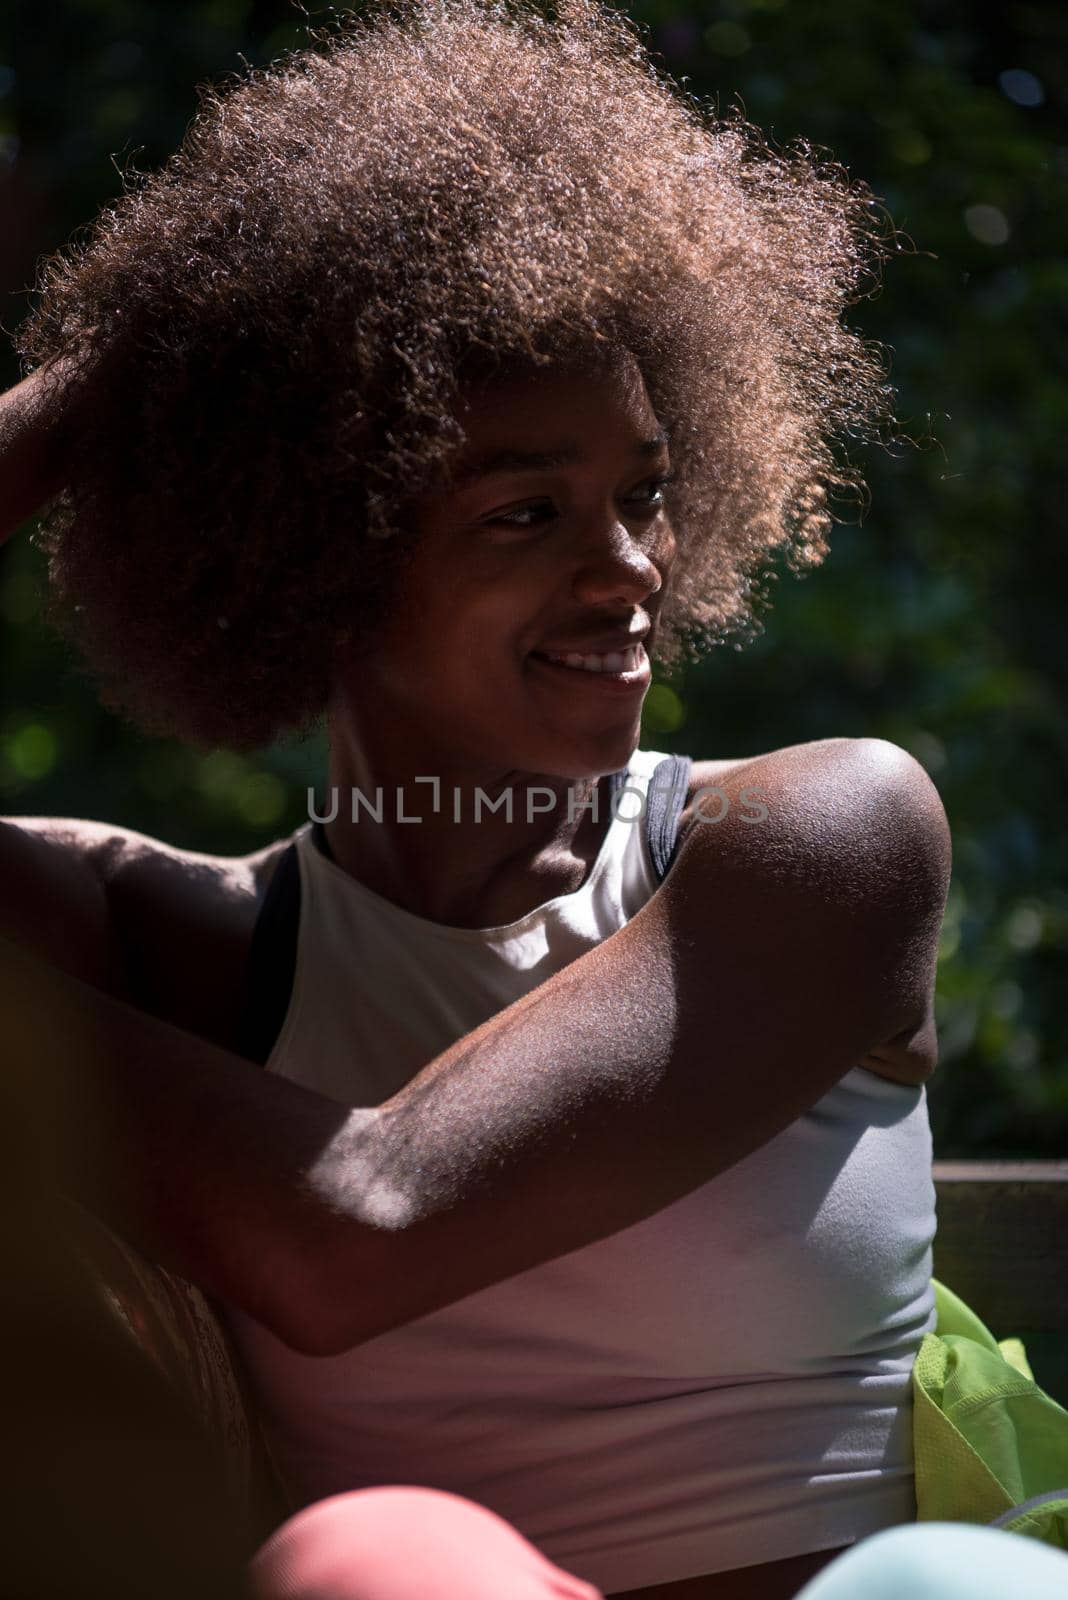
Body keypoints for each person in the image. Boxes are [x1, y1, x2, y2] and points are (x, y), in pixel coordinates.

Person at [0, 0, 971, 1594]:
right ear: (316, 549)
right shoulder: (189, 951)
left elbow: (358, 1227)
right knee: (385, 1553)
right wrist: (135, 386)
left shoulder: (817, 836)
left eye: (644, 495)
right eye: (528, 512)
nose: (633, 571)